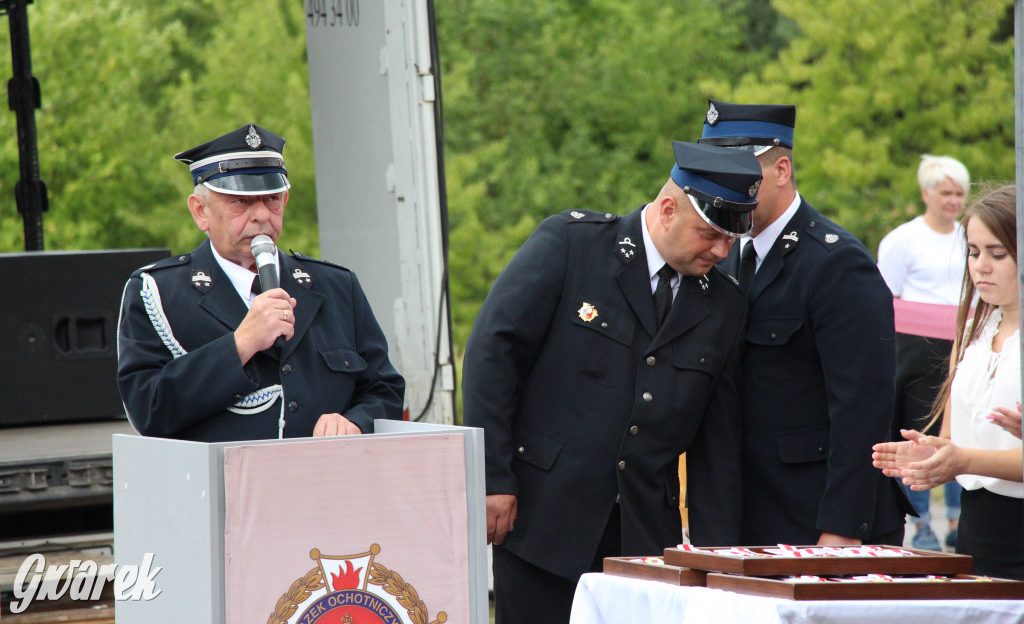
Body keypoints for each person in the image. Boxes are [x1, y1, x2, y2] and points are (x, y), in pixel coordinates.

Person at [462, 141, 762, 624]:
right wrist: (492, 478)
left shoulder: (723, 302)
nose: (722, 250)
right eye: (710, 234)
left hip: (642, 541)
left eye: (731, 239)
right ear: (667, 209)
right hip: (544, 519)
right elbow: (492, 355)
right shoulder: (572, 245)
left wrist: (716, 554)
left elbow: (718, 438)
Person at [705, 99, 910, 546]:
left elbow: (863, 408)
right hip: (748, 513)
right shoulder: (726, 258)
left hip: (817, 517)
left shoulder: (835, 262)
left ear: (781, 170)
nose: (722, 186)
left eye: (740, 170)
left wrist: (841, 529)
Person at [117, 123, 405, 442]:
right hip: (223, 486)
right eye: (240, 202)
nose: (261, 216)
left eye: (271, 200)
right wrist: (242, 343)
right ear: (201, 212)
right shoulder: (158, 292)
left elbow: (384, 390)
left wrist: (356, 422)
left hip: (325, 482)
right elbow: (148, 410)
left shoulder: (336, 285)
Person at [873, 185, 1023, 579]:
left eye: (997, 253)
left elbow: (971, 457)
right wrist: (933, 456)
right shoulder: (972, 329)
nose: (981, 266)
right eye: (973, 252)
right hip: (975, 532)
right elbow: (955, 440)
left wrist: (964, 460)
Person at [877, 154, 970, 551]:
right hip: (915, 347)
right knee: (920, 433)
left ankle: (955, 517)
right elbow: (885, 296)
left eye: (960, 194)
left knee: (961, 430)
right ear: (926, 193)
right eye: (946, 192)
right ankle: (922, 523)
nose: (953, 201)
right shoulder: (903, 239)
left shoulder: (971, 235)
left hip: (963, 344)